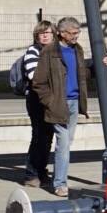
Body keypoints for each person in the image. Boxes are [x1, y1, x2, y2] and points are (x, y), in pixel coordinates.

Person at [31, 16, 91, 199]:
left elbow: (82, 74)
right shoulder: (49, 52)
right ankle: (60, 184)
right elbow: (39, 83)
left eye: (78, 33)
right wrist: (51, 101)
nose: (76, 36)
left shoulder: (77, 50)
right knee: (63, 143)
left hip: (74, 102)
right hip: (59, 104)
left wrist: (97, 68)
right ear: (62, 33)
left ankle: (59, 180)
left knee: (66, 143)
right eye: (73, 33)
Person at [18, 20, 56, 188]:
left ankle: (41, 171)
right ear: (36, 36)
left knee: (48, 137)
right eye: (41, 33)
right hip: (36, 99)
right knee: (38, 136)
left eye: (48, 32)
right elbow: (35, 76)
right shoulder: (33, 51)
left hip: (52, 99)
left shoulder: (57, 51)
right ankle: (31, 174)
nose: (45, 35)